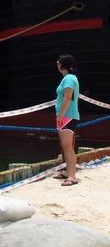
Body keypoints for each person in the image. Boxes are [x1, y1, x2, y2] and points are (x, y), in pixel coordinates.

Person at [53, 54, 79, 186]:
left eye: (58, 63)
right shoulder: (69, 78)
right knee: (66, 146)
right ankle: (68, 171)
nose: (57, 64)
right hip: (66, 116)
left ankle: (72, 176)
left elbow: (68, 97)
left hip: (67, 117)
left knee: (68, 147)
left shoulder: (68, 78)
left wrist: (60, 115)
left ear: (63, 65)